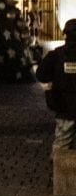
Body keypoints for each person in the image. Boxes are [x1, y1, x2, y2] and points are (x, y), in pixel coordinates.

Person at [36, 19, 76, 153]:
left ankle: (61, 171)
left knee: (62, 145)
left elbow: (41, 75)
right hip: (64, 106)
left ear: (66, 34)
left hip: (63, 107)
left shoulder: (56, 55)